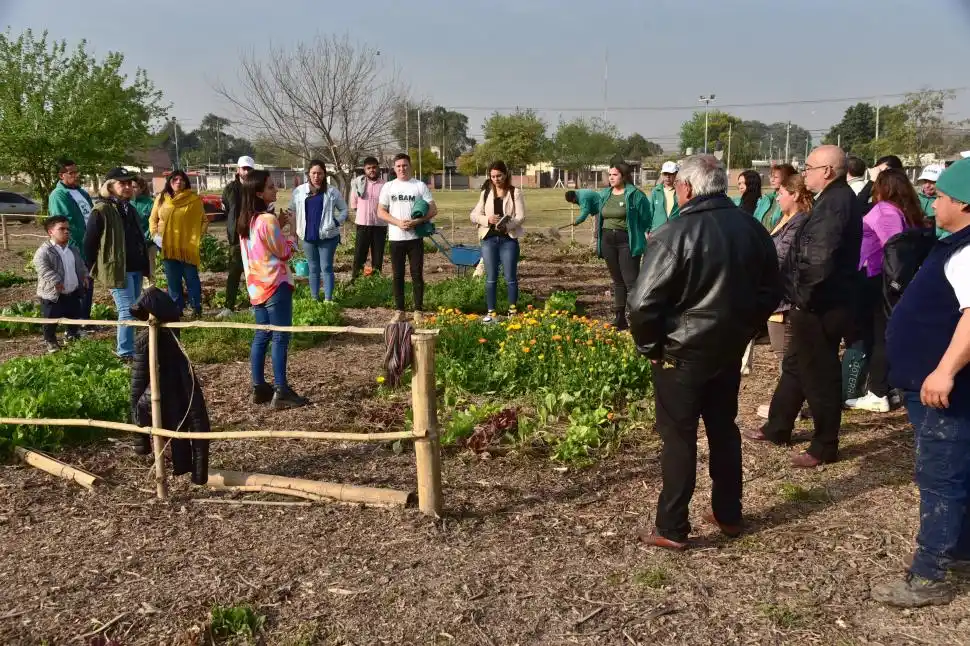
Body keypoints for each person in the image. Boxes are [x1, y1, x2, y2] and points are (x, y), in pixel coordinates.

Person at [628, 155, 781, 550]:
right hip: (727, 348)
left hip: (681, 352)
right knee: (723, 429)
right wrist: (745, 328)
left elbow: (642, 303)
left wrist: (650, 346)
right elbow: (771, 289)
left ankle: (672, 527)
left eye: (678, 184)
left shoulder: (673, 233)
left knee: (679, 438)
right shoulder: (752, 229)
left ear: (689, 188)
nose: (676, 189)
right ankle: (729, 514)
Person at [872, 158, 970, 608]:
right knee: (954, 471)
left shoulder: (968, 252)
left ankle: (932, 573)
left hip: (944, 388)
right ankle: (961, 552)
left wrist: (944, 370)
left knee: (941, 477)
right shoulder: (955, 244)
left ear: (965, 203)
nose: (935, 203)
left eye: (943, 197)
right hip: (934, 382)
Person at [743, 145, 862, 467]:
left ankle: (824, 444)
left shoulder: (835, 204)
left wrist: (800, 297)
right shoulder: (830, 200)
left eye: (808, 167)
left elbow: (819, 260)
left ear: (827, 171)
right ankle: (778, 426)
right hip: (814, 299)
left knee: (819, 375)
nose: (803, 172)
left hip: (821, 304)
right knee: (796, 365)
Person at [846, 170, 928, 413]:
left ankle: (877, 392)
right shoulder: (907, 212)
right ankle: (887, 387)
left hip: (876, 279)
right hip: (885, 280)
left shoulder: (884, 211)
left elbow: (894, 247)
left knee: (878, 335)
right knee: (881, 333)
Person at [238, 169, 307, 409]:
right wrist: (291, 233)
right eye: (270, 187)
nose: (275, 189)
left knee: (262, 335)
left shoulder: (246, 220)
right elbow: (284, 252)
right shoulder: (266, 220)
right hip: (275, 285)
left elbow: (260, 248)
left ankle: (259, 386)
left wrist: (279, 224)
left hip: (256, 287)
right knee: (280, 337)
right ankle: (281, 389)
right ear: (258, 192)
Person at [129, 287, 211, 484]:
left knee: (191, 418)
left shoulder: (175, 349)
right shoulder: (146, 342)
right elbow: (137, 390)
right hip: (158, 400)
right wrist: (140, 441)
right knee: (186, 419)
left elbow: (198, 416)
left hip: (170, 395)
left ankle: (192, 471)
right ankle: (185, 469)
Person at [755, 174, 813, 420]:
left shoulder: (798, 224)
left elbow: (780, 259)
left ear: (795, 195)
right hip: (780, 297)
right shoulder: (787, 220)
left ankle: (788, 409)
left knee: (785, 356)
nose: (777, 197)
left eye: (781, 193)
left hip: (785, 301)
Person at [572, 162, 651, 330]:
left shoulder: (635, 194)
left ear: (623, 176)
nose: (611, 178)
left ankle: (638, 319)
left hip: (626, 241)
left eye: (614, 175)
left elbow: (646, 217)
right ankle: (619, 318)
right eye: (609, 175)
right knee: (617, 281)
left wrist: (643, 232)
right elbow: (595, 211)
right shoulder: (605, 194)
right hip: (608, 240)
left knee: (631, 282)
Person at [84, 167, 149, 361]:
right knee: (127, 309)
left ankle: (132, 348)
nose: (128, 187)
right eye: (123, 183)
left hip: (135, 266)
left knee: (135, 310)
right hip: (117, 269)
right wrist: (91, 268)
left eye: (130, 183)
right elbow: (89, 242)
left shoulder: (129, 208)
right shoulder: (102, 210)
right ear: (110, 186)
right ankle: (125, 352)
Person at [377, 153, 437, 324]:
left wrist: (417, 221)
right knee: (397, 275)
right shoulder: (388, 187)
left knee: (417, 274)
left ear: (410, 166)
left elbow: (433, 210)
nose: (402, 168)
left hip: (414, 238)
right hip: (396, 238)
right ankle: (400, 311)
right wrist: (397, 222)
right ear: (394, 168)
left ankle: (418, 310)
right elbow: (380, 212)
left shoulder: (419, 186)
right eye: (398, 166)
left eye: (405, 165)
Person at [470, 160, 526, 322]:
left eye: (499, 176)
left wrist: (507, 226)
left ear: (505, 174)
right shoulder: (486, 193)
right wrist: (487, 219)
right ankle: (491, 312)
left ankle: (512, 311)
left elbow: (521, 216)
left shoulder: (515, 192)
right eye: (493, 176)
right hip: (489, 239)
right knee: (491, 277)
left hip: (508, 240)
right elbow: (473, 215)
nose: (496, 179)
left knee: (510, 277)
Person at [149, 170, 207, 318]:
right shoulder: (161, 198)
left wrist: (196, 238)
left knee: (191, 278)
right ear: (169, 182)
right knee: (173, 280)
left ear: (186, 182)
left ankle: (196, 308)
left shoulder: (194, 200)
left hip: (188, 247)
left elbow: (203, 221)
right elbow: (153, 219)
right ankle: (177, 308)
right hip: (168, 246)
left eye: (182, 180)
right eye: (175, 179)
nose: (178, 182)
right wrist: (155, 235)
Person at [291, 159, 348, 301]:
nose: (317, 176)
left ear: (324, 174)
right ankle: (314, 298)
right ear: (309, 174)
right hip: (308, 236)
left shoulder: (332, 192)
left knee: (326, 267)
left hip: (328, 237)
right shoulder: (299, 191)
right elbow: (292, 211)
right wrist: (293, 234)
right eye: (314, 173)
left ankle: (328, 300)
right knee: (313, 269)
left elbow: (344, 210)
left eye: (320, 173)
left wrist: (335, 222)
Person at [33, 216, 89, 353]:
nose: (66, 231)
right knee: (50, 319)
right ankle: (50, 341)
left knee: (73, 315)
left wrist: (84, 276)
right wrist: (56, 281)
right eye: (61, 229)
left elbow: (80, 265)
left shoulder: (72, 249)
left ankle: (71, 334)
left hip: (72, 291)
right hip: (53, 293)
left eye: (67, 229)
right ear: (50, 231)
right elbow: (42, 268)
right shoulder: (44, 251)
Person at [47, 158, 95, 319]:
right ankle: (76, 322)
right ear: (61, 175)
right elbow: (63, 221)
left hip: (89, 245)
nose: (76, 175)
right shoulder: (58, 195)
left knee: (88, 283)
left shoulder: (81, 192)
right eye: (71, 172)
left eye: (77, 172)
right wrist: (73, 246)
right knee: (76, 284)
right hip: (75, 247)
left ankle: (85, 319)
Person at [218, 156, 255, 318]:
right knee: (234, 272)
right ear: (238, 170)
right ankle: (228, 307)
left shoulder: (256, 188)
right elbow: (227, 209)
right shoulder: (230, 189)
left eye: (248, 168)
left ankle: (255, 304)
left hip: (254, 236)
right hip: (236, 238)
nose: (246, 171)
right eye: (243, 168)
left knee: (253, 273)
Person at [350, 156, 388, 278]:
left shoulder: (385, 185)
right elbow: (354, 203)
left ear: (378, 168)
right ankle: (355, 280)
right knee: (359, 254)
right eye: (368, 168)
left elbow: (388, 205)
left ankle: (376, 280)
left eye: (374, 167)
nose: (372, 170)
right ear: (365, 170)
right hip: (363, 225)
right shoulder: (358, 183)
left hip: (380, 225)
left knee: (378, 255)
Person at [130, 176, 156, 284]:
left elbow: (155, 222)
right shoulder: (126, 203)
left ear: (142, 188)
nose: (132, 189)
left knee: (150, 270)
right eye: (130, 186)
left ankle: (150, 293)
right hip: (131, 244)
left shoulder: (150, 203)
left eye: (135, 187)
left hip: (148, 243)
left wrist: (149, 237)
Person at [758, 164, 798, 230]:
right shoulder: (766, 199)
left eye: (776, 177)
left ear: (787, 178)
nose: (772, 180)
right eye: (771, 176)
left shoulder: (790, 201)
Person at [916, 163, 949, 239]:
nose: (927, 185)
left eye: (932, 182)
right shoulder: (915, 198)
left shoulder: (948, 200)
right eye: (925, 181)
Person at [649, 161, 680, 228]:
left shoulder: (681, 191)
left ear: (676, 174)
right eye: (665, 174)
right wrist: (647, 230)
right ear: (662, 175)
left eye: (670, 174)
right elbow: (650, 212)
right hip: (657, 231)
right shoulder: (656, 191)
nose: (667, 176)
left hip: (676, 230)